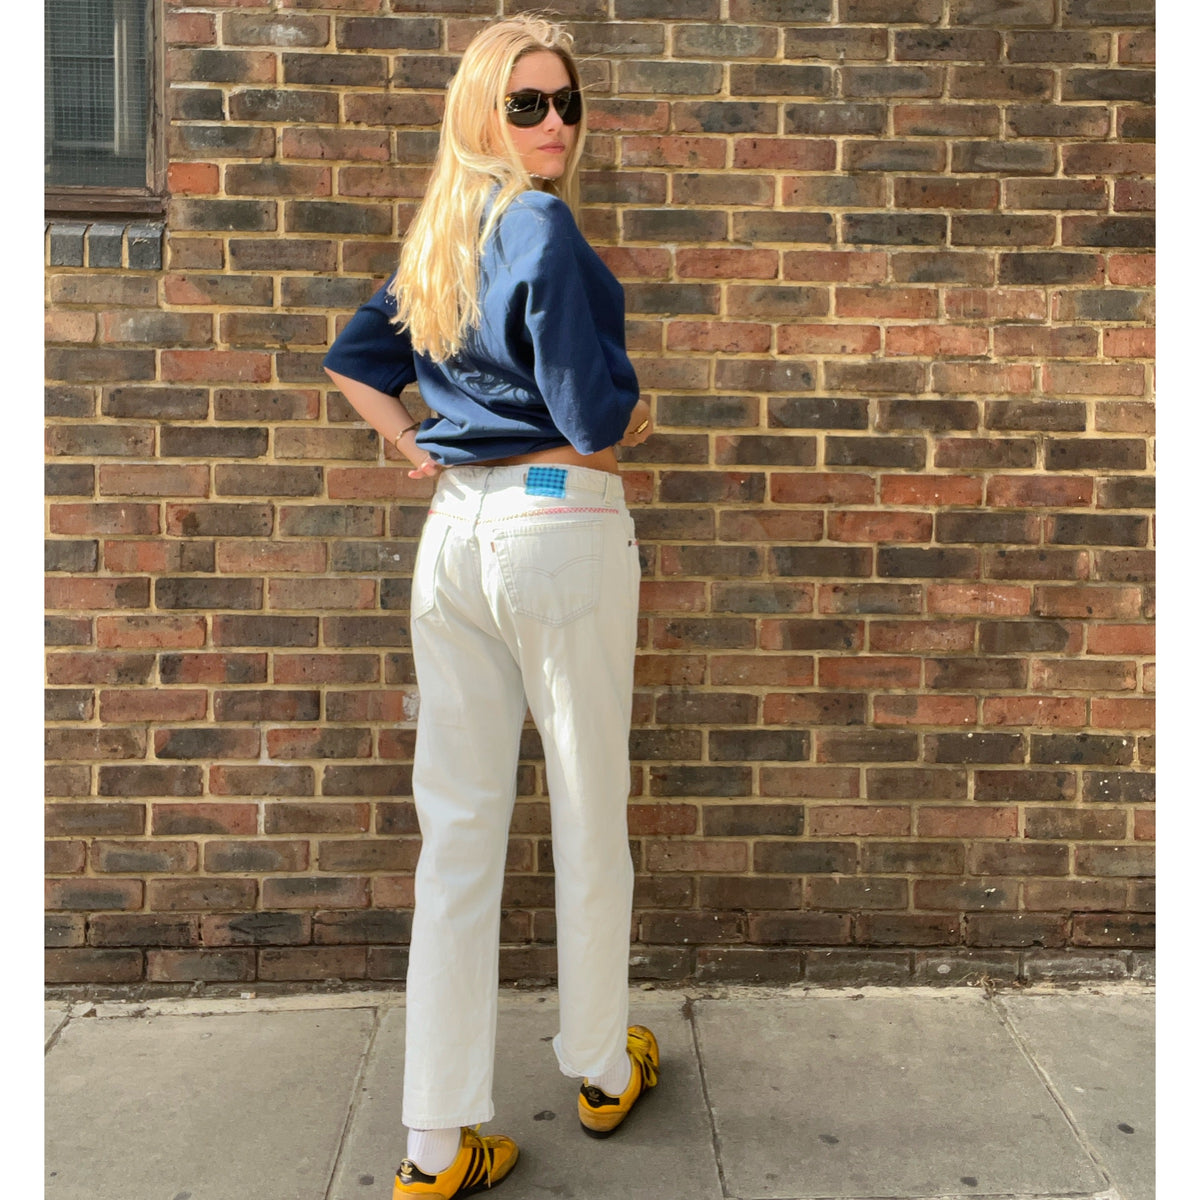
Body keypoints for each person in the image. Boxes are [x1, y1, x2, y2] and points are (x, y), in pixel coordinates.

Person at [322, 15, 659, 1199]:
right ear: (484, 111)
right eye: (527, 104)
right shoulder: (538, 224)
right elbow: (591, 417)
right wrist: (635, 413)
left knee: (458, 834)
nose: (554, 122)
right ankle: (601, 1065)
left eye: (566, 101)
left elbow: (354, 362)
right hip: (556, 522)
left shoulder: (440, 232)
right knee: (587, 804)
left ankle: (433, 1144)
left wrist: (415, 444)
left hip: (455, 536)